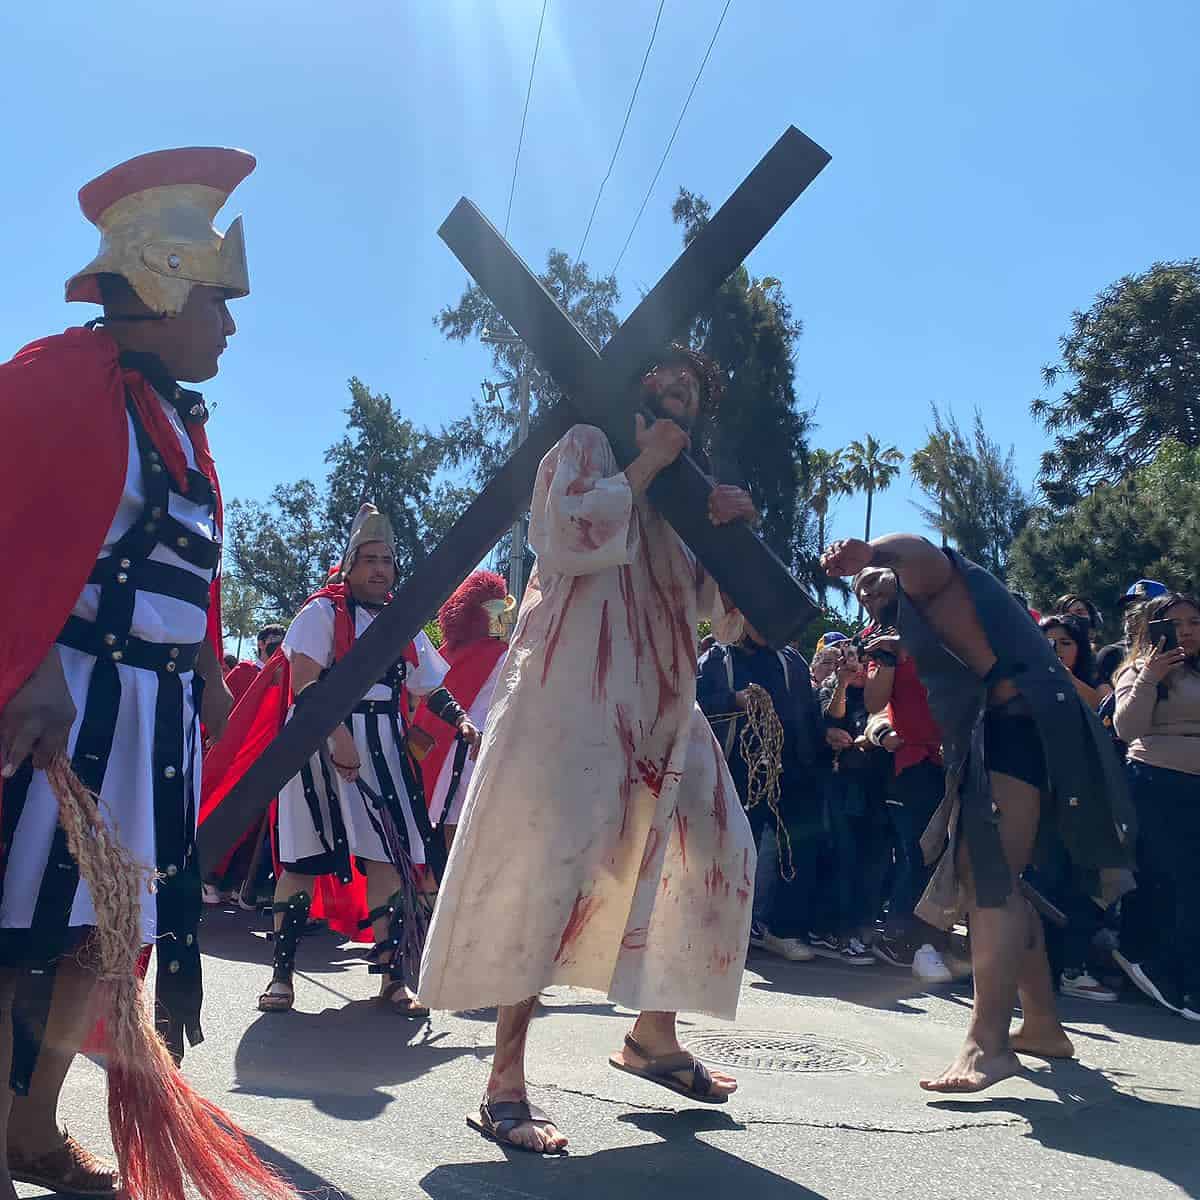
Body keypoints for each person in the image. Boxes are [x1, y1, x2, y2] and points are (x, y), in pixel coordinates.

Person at [0, 148, 293, 1200]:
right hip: (68, 704)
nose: (229, 324)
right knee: (22, 929)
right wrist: (20, 664)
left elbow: (186, 576)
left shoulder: (176, 419)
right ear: (166, 282)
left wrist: (213, 686)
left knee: (96, 938)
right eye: (218, 298)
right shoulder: (56, 378)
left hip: (148, 723)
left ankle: (28, 1128)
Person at [419, 345, 758, 1154]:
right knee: (553, 872)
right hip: (573, 697)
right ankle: (503, 1082)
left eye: (692, 392)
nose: (679, 397)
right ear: (639, 387)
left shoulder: (691, 490)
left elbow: (725, 618)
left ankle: (654, 1036)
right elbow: (563, 534)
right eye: (667, 382)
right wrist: (645, 464)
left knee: (716, 843)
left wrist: (733, 537)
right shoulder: (589, 443)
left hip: (665, 703)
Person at [823, 534, 1134, 1093]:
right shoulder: (908, 618)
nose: (868, 589)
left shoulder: (934, 577)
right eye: (862, 585)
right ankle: (1041, 1025)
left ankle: (988, 1044)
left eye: (877, 578)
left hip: (1020, 723)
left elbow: (918, 553)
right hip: (1018, 727)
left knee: (988, 878)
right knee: (1002, 879)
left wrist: (866, 550)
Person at [256, 504, 480, 1016]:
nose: (382, 569)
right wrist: (338, 735)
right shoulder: (320, 612)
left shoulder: (400, 620)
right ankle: (282, 976)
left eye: (389, 561)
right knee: (302, 860)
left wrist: (463, 721)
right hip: (316, 746)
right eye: (372, 559)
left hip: (383, 744)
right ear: (351, 563)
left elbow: (431, 685)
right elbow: (306, 685)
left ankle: (393, 980)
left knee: (389, 860)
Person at [697, 612, 845, 964]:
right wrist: (733, 700)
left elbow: (808, 712)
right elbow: (697, 703)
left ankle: (781, 930)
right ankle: (717, 930)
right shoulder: (718, 658)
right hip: (739, 769)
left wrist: (824, 734)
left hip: (792, 770)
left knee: (794, 851)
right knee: (731, 849)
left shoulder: (790, 660)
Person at [1111, 593, 1200, 1019]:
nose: (1186, 629)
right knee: (1176, 881)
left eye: (1194, 621)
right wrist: (1149, 676)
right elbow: (1127, 728)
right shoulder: (1138, 670)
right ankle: (1178, 979)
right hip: (1157, 780)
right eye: (1175, 622)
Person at [859, 623, 952, 984]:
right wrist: (883, 733)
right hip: (910, 765)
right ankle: (900, 937)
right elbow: (873, 705)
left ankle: (928, 940)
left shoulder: (949, 636)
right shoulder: (884, 644)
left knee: (942, 856)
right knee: (915, 854)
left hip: (952, 765)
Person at [412, 570, 514, 850]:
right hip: (472, 755)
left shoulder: (444, 652)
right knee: (464, 846)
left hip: (437, 757)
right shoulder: (503, 655)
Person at [1096, 579, 1168, 687]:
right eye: (1129, 608)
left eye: (1147, 607)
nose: (1134, 613)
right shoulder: (1111, 655)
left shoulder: (1184, 650)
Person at [224, 623, 285, 705]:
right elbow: (223, 703)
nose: (280, 647)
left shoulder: (284, 680)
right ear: (261, 644)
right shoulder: (245, 670)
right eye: (275, 639)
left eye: (283, 643)